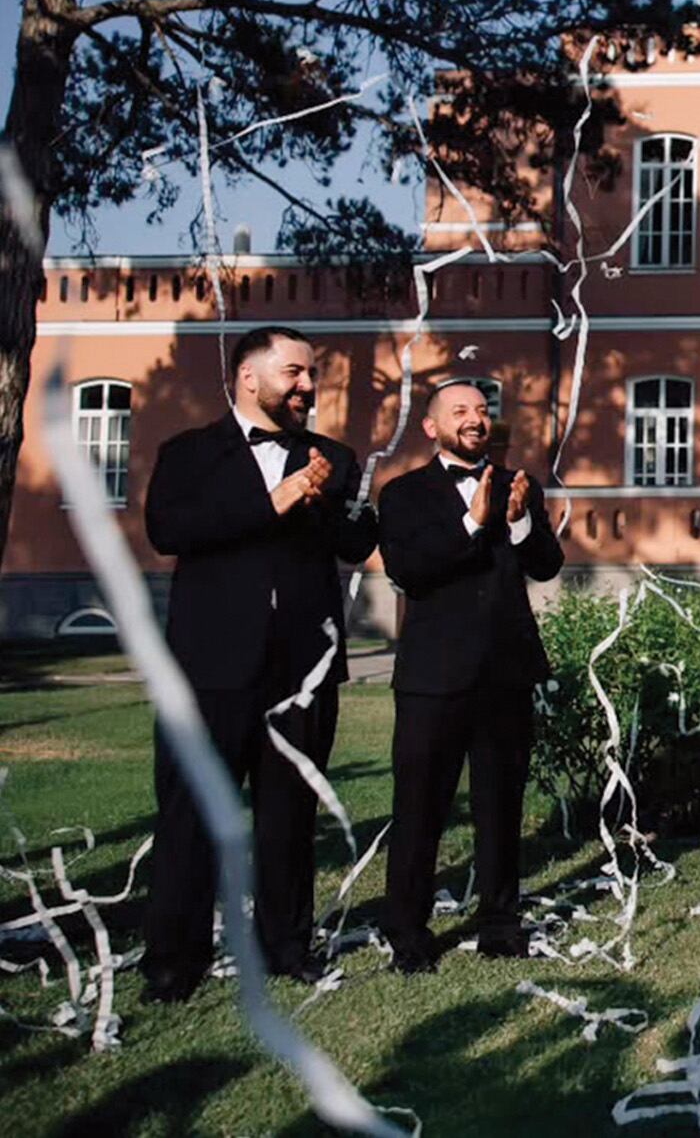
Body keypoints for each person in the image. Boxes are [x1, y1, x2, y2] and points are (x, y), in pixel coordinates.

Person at [140, 326, 379, 1002]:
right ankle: (172, 960)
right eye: (295, 373)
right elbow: (169, 530)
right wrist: (269, 502)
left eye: (312, 374)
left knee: (289, 814)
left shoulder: (334, 456)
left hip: (301, 670)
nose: (309, 385)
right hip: (209, 668)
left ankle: (287, 946)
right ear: (250, 377)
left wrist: (339, 504)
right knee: (190, 814)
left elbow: (358, 541)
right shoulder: (189, 453)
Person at [376, 381, 564, 973]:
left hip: (506, 671)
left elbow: (547, 564)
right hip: (433, 677)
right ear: (431, 427)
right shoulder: (403, 493)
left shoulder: (519, 485)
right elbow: (410, 571)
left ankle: (500, 923)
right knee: (420, 809)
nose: (476, 420)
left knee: (501, 805)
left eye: (482, 411)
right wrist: (470, 522)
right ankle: (408, 933)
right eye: (460, 412)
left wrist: (516, 525)